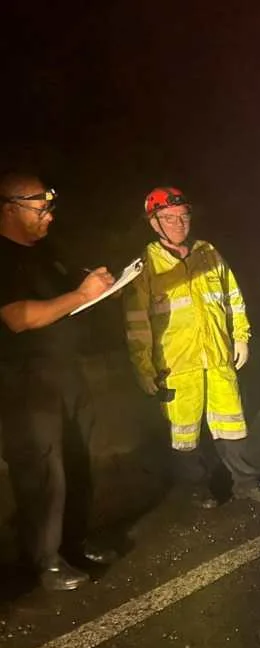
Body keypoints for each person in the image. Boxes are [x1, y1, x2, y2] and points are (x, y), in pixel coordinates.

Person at [0, 172, 118, 591]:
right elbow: (19, 317)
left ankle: (74, 541)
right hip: (24, 381)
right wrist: (82, 295)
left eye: (50, 207)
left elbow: (68, 296)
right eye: (40, 208)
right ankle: (44, 559)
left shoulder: (46, 252)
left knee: (77, 458)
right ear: (10, 207)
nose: (49, 216)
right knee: (41, 468)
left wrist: (97, 286)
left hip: (64, 371)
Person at [124, 187, 260, 508]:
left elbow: (233, 297)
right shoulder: (146, 265)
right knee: (184, 435)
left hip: (218, 357)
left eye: (183, 216)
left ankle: (246, 483)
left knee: (232, 426)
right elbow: (137, 322)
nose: (179, 223)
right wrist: (143, 367)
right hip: (176, 365)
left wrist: (241, 336)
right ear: (154, 223)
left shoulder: (209, 253)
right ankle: (197, 488)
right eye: (169, 218)